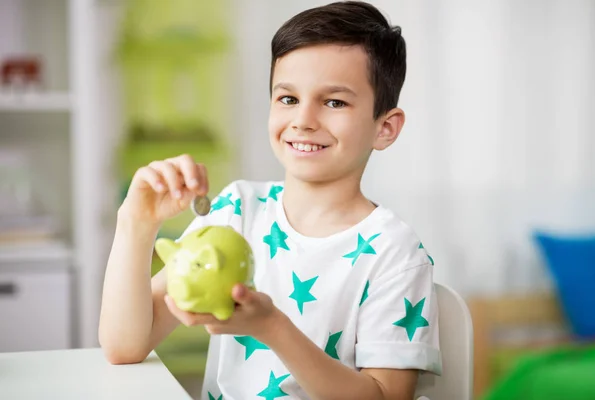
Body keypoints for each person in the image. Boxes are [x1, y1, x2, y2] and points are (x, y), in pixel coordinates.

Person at [99, 2, 442, 399]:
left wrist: (272, 328)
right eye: (288, 99)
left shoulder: (395, 253)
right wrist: (135, 223)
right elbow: (124, 346)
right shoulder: (238, 209)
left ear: (385, 128)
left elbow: (386, 396)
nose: (303, 120)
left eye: (334, 102)